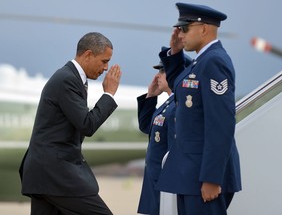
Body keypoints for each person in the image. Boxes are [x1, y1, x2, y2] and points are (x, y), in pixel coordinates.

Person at [19, 32, 121, 215]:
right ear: (88, 54)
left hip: (45, 174)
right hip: (55, 175)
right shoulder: (67, 80)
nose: (106, 68)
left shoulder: (71, 78)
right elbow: (87, 125)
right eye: (104, 61)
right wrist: (109, 94)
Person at [155, 3, 242, 215]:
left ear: (203, 29)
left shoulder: (214, 62)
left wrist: (212, 177)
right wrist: (175, 53)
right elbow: (181, 89)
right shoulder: (200, 62)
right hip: (191, 172)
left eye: (184, 28)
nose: (179, 34)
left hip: (203, 174)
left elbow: (221, 123)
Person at [136, 50, 176, 215]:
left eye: (162, 70)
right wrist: (151, 96)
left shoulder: (177, 105)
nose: (157, 76)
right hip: (154, 181)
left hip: (165, 183)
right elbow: (146, 127)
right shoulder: (167, 105)